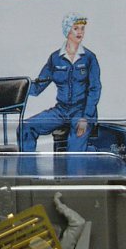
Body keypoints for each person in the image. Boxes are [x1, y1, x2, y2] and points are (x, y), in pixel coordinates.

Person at [20, 13, 101, 152]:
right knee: (26, 127)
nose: (80, 32)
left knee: (75, 147)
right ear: (67, 30)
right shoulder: (55, 58)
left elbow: (95, 89)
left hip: (82, 112)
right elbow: (38, 87)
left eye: (82, 28)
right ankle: (27, 166)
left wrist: (86, 118)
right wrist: (16, 90)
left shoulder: (89, 58)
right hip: (61, 111)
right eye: (76, 28)